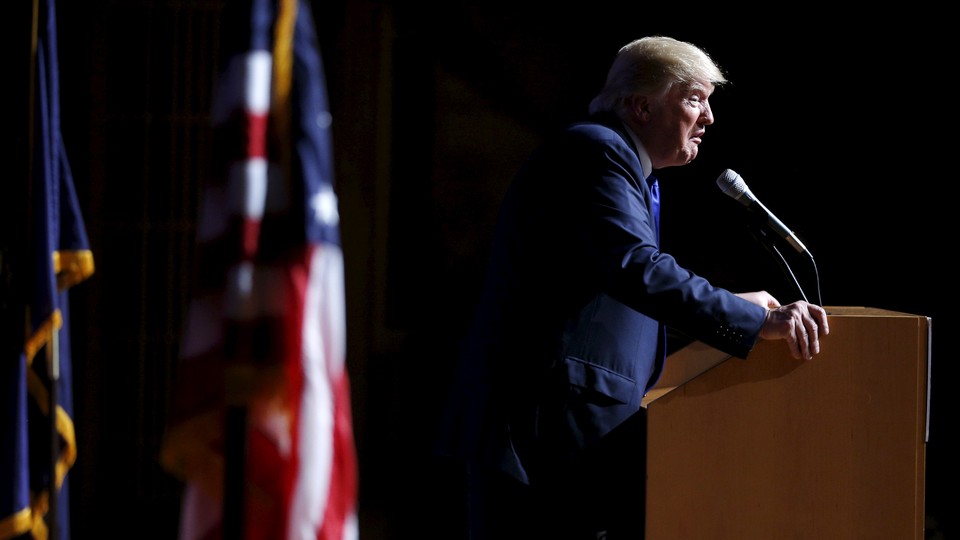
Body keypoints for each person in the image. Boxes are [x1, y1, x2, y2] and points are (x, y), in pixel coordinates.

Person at [433, 35, 830, 539]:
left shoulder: (629, 168)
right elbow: (636, 268)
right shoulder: (596, 152)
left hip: (568, 436)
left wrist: (733, 308)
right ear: (641, 106)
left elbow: (612, 300)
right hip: (545, 435)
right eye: (693, 99)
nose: (709, 118)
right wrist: (756, 320)